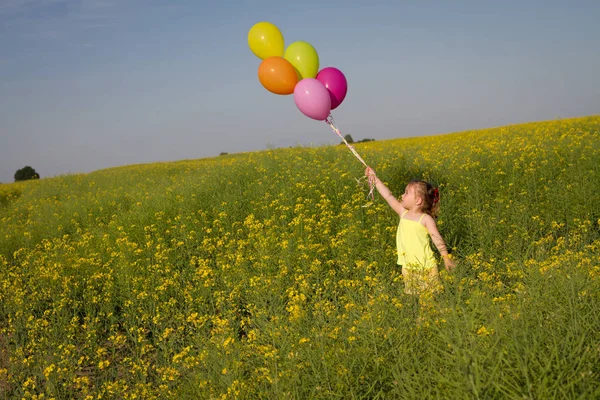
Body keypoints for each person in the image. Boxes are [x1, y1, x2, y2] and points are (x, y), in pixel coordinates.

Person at [365, 167, 455, 295]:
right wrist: (375, 179)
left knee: (430, 298)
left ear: (418, 201)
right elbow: (388, 196)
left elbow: (437, 238)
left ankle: (433, 313)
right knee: (415, 298)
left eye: (406, 193)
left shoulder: (426, 219)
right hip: (408, 266)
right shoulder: (403, 213)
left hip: (426, 267)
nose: (402, 195)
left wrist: (446, 257)